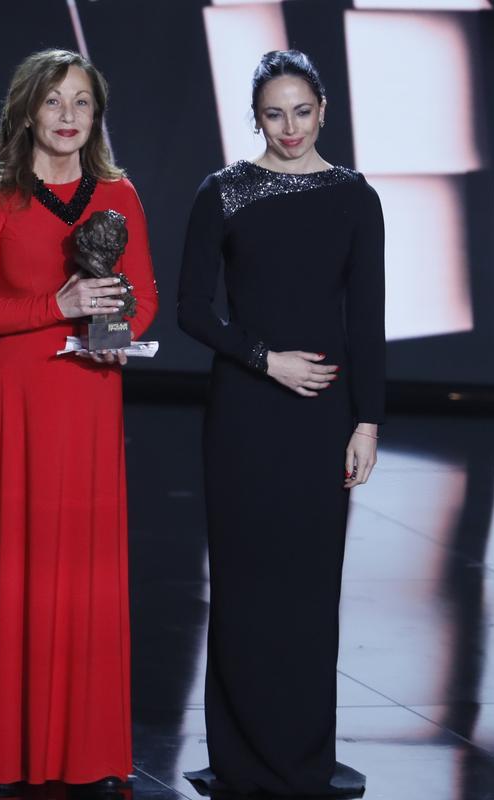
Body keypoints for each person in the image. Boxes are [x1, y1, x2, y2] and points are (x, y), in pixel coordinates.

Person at [0, 49, 158, 789]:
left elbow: (146, 294)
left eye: (83, 105)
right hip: (21, 399)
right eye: (55, 103)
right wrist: (57, 307)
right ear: (28, 108)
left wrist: (120, 329)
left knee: (88, 571)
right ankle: (3, 746)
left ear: (97, 116)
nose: (69, 118)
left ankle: (85, 749)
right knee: (17, 566)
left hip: (92, 393)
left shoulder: (119, 195)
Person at [177, 50, 384, 797]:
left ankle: (303, 758)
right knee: (242, 582)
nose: (290, 127)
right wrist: (266, 359)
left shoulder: (356, 197)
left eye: (302, 111)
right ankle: (239, 755)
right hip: (244, 411)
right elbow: (192, 309)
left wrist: (368, 421)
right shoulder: (225, 192)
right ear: (255, 117)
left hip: (323, 416)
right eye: (274, 113)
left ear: (323, 109)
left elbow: (367, 320)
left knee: (308, 586)